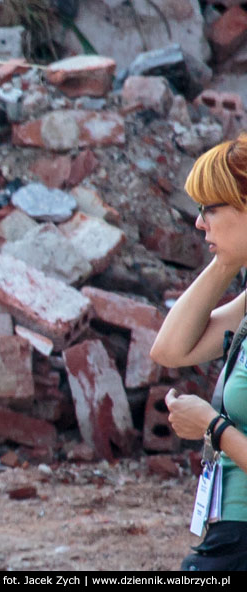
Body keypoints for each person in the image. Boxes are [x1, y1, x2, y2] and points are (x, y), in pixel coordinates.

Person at [152, 135, 247, 570]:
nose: (199, 223)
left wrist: (212, 427)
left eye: (211, 207)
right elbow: (171, 349)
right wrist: (227, 261)